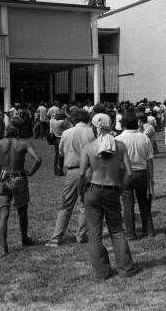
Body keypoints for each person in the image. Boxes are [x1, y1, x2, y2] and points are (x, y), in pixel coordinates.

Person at [79, 113, 139, 279]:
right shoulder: (120, 146)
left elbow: (83, 175)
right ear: (111, 125)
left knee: (94, 233)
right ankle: (125, 268)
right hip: (112, 189)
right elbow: (129, 173)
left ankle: (102, 271)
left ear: (94, 127)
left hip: (92, 190)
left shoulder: (89, 148)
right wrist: (120, 189)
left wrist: (80, 193)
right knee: (117, 231)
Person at [0, 118, 42, 254]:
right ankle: (24, 239)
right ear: (19, 130)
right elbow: (38, 159)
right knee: (22, 211)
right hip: (19, 177)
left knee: (3, 214)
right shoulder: (23, 143)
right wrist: (30, 172)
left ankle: (4, 248)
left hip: (3, 178)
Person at [46, 109, 94, 247]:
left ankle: (56, 238)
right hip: (89, 170)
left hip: (73, 170)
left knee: (66, 205)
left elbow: (60, 152)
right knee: (85, 205)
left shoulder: (67, 133)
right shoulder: (92, 132)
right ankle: (81, 235)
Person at [116, 110, 155, 239]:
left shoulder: (118, 139)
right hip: (142, 173)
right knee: (144, 202)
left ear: (123, 124)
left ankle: (130, 233)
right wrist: (151, 179)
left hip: (124, 173)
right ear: (137, 123)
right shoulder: (144, 137)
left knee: (127, 205)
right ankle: (148, 230)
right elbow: (150, 160)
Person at [49, 112, 72, 177]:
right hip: (62, 138)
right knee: (62, 156)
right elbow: (71, 127)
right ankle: (60, 171)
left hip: (56, 139)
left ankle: (56, 171)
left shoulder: (52, 122)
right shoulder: (62, 122)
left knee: (57, 155)